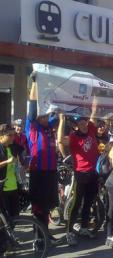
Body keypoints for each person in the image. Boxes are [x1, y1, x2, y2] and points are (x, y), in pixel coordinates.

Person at [57, 103, 99, 245]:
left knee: (88, 202)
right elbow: (60, 141)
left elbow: (93, 114)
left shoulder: (91, 130)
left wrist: (94, 104)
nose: (83, 125)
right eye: (80, 123)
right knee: (76, 204)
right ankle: (69, 233)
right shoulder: (74, 136)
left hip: (93, 173)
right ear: (76, 125)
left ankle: (84, 227)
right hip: (81, 174)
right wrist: (62, 121)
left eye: (84, 122)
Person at [26, 76, 60, 243]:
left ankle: (45, 233)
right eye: (44, 116)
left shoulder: (49, 128)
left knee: (47, 206)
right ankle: (38, 238)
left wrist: (54, 89)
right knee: (38, 207)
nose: (47, 118)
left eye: (47, 116)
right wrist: (34, 83)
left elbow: (58, 114)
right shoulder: (33, 126)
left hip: (51, 172)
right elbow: (32, 105)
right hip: (38, 172)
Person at [0, 124, 20, 217]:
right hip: (3, 189)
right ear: (1, 136)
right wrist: (7, 161)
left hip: (13, 187)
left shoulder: (10, 148)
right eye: (9, 135)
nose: (13, 137)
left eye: (13, 134)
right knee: (5, 219)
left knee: (15, 216)